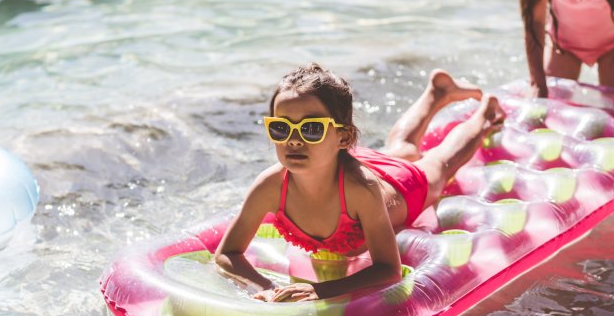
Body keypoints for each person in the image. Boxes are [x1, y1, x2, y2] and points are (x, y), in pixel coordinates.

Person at [214, 63, 505, 302]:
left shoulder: (360, 191)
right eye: (281, 128)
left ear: (343, 137)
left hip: (401, 188)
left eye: (311, 128)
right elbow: (227, 254)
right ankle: (437, 92)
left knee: (440, 164)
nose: (293, 140)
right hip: (332, 162)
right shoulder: (270, 186)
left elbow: (388, 269)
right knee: (402, 150)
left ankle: (484, 115)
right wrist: (265, 286)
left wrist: (319, 290)